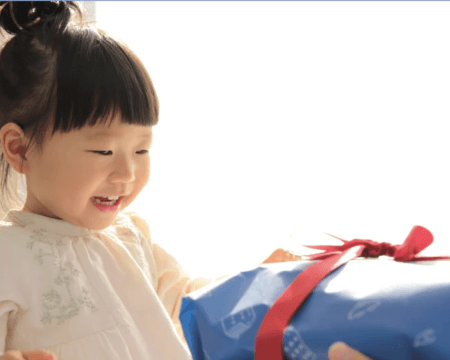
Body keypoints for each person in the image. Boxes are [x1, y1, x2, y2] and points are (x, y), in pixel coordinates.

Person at [0, 2, 376, 360]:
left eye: (141, 150)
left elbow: (193, 308)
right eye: (104, 152)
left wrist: (258, 284)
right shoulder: (8, 256)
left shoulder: (133, 239)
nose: (127, 174)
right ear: (19, 149)